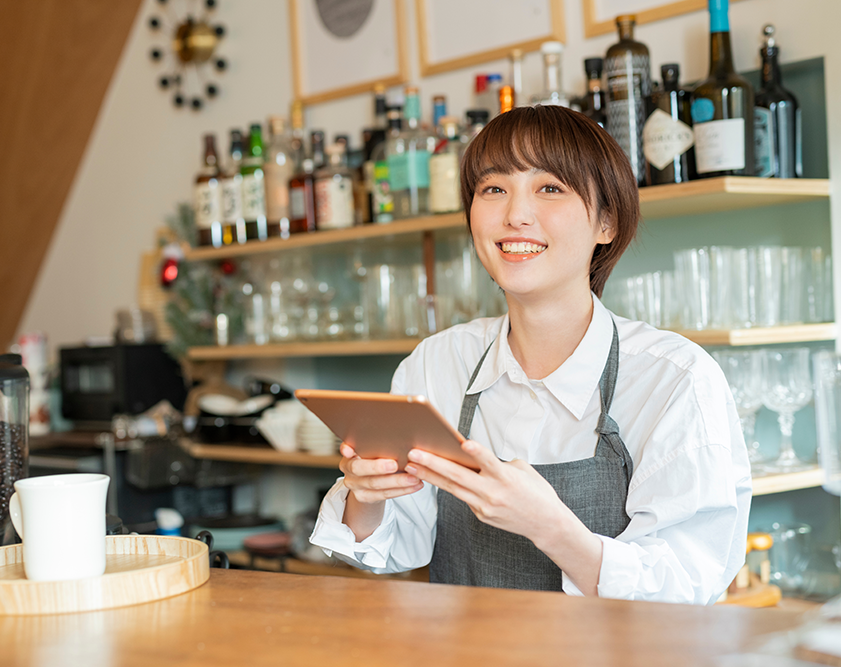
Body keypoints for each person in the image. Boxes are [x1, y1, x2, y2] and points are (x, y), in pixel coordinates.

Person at [309, 105, 751, 604]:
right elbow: (395, 547)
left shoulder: (674, 378)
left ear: (606, 223)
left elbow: (688, 585)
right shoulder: (438, 363)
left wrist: (552, 527)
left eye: (550, 188)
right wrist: (367, 495)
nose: (515, 215)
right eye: (493, 189)